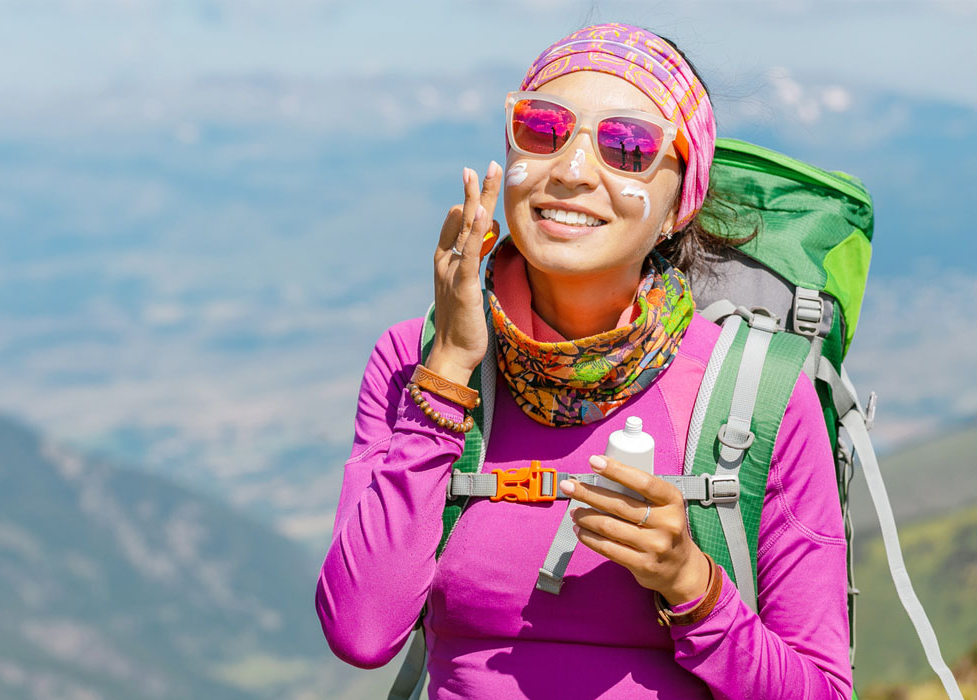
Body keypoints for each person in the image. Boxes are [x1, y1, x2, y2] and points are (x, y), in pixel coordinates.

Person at [315, 23, 851, 700]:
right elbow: (363, 632)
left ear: (676, 207)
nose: (569, 171)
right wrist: (448, 370)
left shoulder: (760, 395)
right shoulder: (415, 360)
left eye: (628, 147)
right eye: (542, 129)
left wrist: (693, 585)